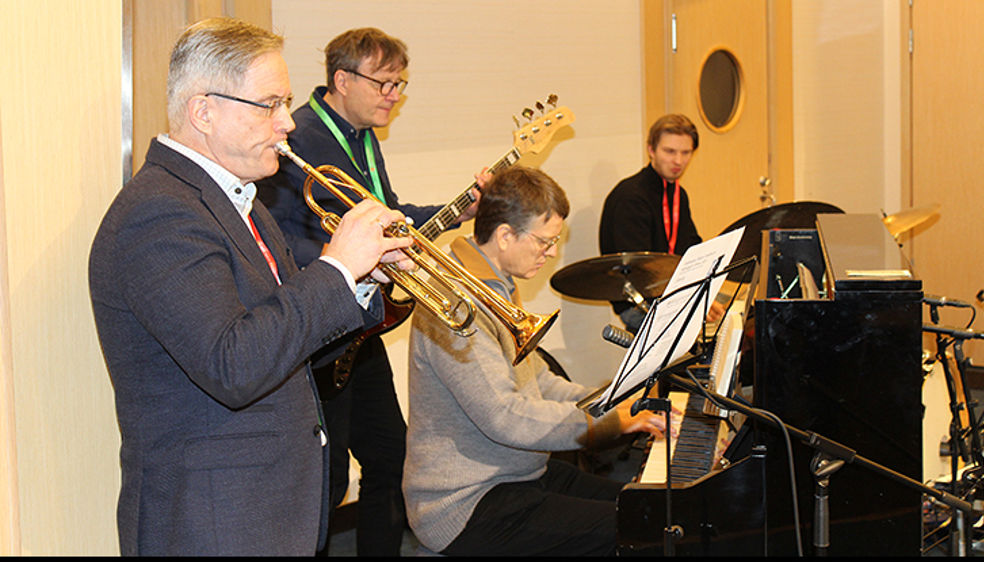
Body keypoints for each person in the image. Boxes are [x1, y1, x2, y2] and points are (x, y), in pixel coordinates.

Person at [88, 18, 413, 556]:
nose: (288, 122)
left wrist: (358, 283)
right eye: (269, 104)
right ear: (203, 111)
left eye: (285, 102)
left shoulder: (245, 203)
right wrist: (335, 270)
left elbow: (289, 343)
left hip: (266, 511)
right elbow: (233, 365)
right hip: (213, 522)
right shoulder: (159, 215)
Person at [256, 27, 480, 557]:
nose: (394, 95)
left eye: (399, 83)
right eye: (384, 83)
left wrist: (458, 209)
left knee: (389, 458)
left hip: (361, 326)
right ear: (342, 79)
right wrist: (356, 261)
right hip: (319, 334)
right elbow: (279, 241)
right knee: (328, 482)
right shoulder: (301, 137)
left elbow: (389, 218)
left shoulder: (363, 139)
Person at [402, 166, 666, 556]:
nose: (552, 253)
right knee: (639, 530)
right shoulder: (456, 304)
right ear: (505, 235)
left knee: (651, 508)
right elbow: (505, 416)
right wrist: (607, 423)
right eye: (544, 242)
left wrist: (616, 398)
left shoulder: (496, 284)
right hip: (465, 503)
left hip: (516, 473)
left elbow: (539, 380)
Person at [599, 113, 705, 333]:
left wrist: (703, 294)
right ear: (651, 150)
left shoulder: (678, 194)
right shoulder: (631, 197)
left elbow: (689, 249)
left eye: (686, 153)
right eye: (670, 151)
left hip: (670, 296)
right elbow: (641, 271)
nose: (678, 161)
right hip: (639, 303)